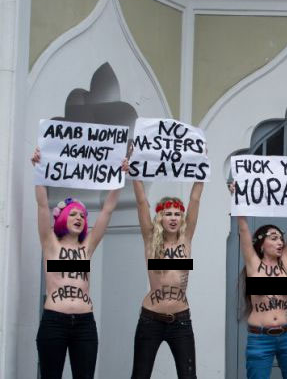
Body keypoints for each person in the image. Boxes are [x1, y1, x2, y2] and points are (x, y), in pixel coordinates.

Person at [32, 147, 127, 379]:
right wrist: (39, 170)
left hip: (85, 324)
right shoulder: (50, 243)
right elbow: (42, 206)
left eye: (82, 216)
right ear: (63, 217)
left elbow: (107, 210)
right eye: (73, 214)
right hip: (54, 321)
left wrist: (120, 176)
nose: (79, 218)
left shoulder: (87, 247)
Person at [130, 174, 204, 379]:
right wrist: (134, 174)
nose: (173, 218)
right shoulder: (150, 239)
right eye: (168, 214)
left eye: (177, 214)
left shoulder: (185, 239)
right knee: (140, 375)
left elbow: (195, 200)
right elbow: (141, 202)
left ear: (182, 219)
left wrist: (201, 172)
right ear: (160, 218)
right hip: (150, 319)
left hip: (181, 320)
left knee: (188, 376)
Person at [231, 182, 287, 379]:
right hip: (260, 338)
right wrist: (237, 197)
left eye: (281, 238)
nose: (280, 242)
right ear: (261, 244)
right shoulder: (253, 264)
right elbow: (243, 228)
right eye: (274, 238)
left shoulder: (285, 263)